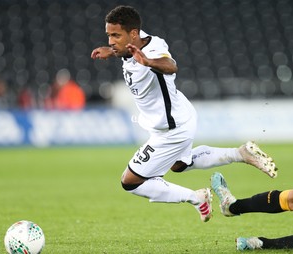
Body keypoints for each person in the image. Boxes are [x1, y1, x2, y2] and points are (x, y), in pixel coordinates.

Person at [90, 5, 278, 222]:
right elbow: (125, 51)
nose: (111, 40)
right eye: (109, 35)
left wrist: (149, 63)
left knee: (130, 181)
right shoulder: (132, 45)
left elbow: (170, 66)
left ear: (133, 33)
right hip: (180, 114)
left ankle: (197, 198)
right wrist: (110, 51)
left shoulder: (153, 50)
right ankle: (241, 153)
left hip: (171, 129)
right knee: (179, 165)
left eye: (115, 35)